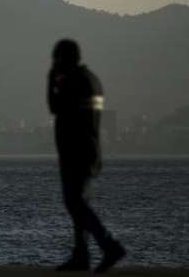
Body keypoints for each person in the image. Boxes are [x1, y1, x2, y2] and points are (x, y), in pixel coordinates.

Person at [48, 39, 126, 273]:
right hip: (90, 151)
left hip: (75, 153)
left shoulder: (73, 82)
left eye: (56, 58)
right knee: (78, 204)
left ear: (64, 58)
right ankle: (81, 255)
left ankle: (109, 245)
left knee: (76, 204)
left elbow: (54, 106)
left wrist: (50, 80)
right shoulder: (93, 80)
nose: (54, 63)